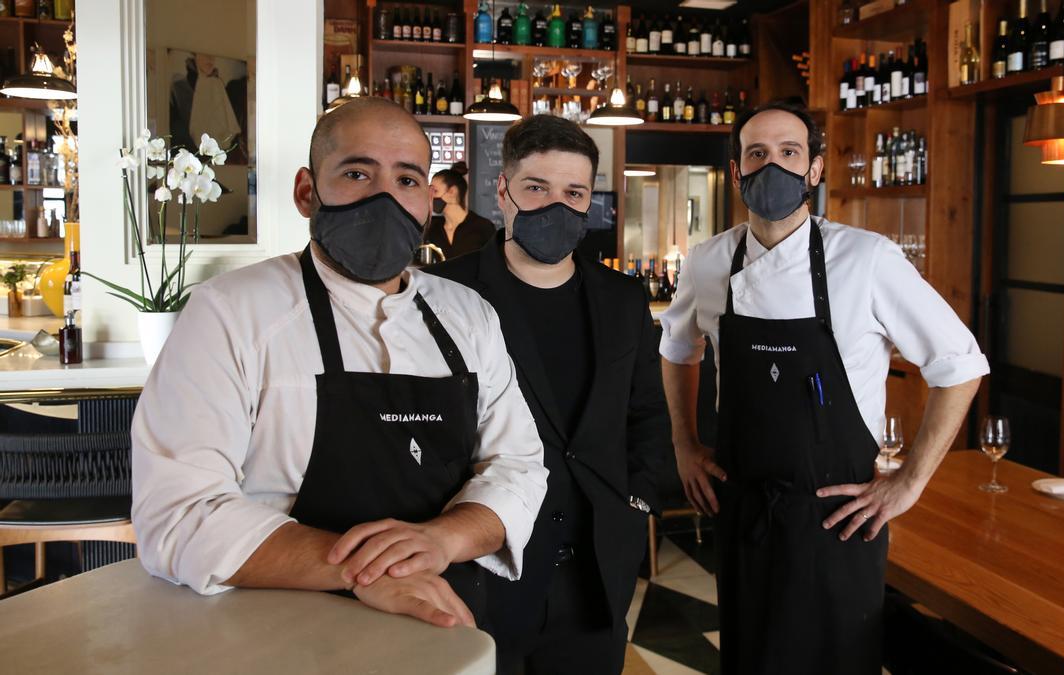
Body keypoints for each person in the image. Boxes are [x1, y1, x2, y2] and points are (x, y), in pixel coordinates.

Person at [131, 97, 548, 630]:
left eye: (407, 181)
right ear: (307, 192)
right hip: (277, 631)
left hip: (445, 621)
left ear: (428, 200)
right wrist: (368, 570)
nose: (385, 199)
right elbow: (179, 514)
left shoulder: (469, 316)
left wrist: (441, 539)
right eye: (357, 172)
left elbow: (517, 465)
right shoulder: (231, 312)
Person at [658, 99, 990, 674]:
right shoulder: (709, 261)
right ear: (737, 172)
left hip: (838, 519)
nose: (773, 168)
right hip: (743, 512)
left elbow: (960, 364)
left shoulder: (866, 259)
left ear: (815, 169)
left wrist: (909, 482)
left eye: (790, 153)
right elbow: (678, 350)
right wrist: (685, 444)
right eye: (756, 155)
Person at [429, 114, 670, 675]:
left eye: (574, 192)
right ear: (503, 191)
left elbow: (647, 414)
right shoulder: (446, 292)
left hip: (595, 573)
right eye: (537, 188)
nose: (555, 206)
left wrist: (635, 503)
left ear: (590, 201)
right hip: (483, 574)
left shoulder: (621, 297)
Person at [424, 162, 496, 261]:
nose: (430, 196)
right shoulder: (431, 227)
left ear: (452, 192)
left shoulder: (483, 227)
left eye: (435, 191)